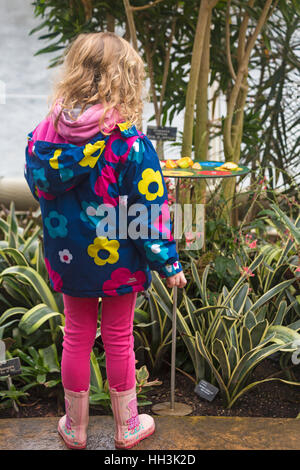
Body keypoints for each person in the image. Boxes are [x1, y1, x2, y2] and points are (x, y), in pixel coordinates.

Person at [24, 31, 186, 450]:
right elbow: (149, 211)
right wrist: (168, 263)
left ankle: (75, 428)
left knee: (76, 335)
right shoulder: (128, 143)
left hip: (68, 256)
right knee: (118, 336)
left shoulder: (46, 135)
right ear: (125, 80)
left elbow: (38, 185)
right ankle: (127, 427)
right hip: (118, 262)